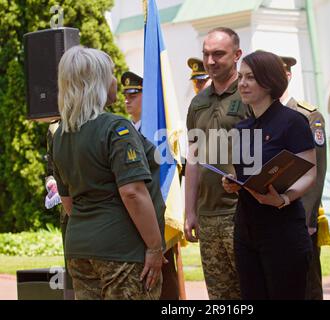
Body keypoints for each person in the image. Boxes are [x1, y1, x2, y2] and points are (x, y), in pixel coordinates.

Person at [52, 45, 165, 300]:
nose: (116, 81)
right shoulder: (116, 127)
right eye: (112, 74)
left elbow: (68, 201)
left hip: (79, 248)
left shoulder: (60, 135)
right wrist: (155, 247)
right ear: (98, 83)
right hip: (122, 249)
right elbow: (133, 192)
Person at [222, 50, 316, 299]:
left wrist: (283, 199)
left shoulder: (293, 121)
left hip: (282, 230)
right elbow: (243, 174)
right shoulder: (242, 127)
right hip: (246, 230)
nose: (242, 83)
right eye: (240, 77)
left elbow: (309, 172)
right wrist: (232, 183)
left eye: (250, 77)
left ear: (269, 81)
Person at [185, 27, 252, 299]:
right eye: (206, 54)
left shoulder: (250, 94)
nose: (210, 61)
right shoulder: (198, 102)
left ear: (237, 55)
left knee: (251, 289)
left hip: (242, 213)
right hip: (208, 216)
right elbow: (192, 159)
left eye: (218, 54)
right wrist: (190, 211)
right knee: (219, 295)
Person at [121, 71, 183, 300]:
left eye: (134, 94)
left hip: (158, 209)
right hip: (135, 215)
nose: (127, 99)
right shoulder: (124, 130)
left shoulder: (158, 130)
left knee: (166, 280)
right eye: (125, 94)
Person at [280, 56, 327, 300]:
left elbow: (316, 171)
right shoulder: (259, 115)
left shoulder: (309, 116)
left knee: (307, 281)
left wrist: (308, 219)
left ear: (288, 76)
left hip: (300, 212)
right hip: (272, 210)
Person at [45, 120, 74, 300]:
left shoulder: (99, 121)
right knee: (73, 274)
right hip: (68, 214)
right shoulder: (54, 128)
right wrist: (51, 183)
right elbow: (50, 168)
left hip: (94, 211)